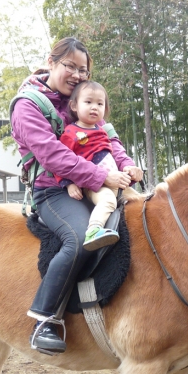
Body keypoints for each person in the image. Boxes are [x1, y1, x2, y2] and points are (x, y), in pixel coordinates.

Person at [10, 37, 138, 355]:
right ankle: (45, 318)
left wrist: (127, 165)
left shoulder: (82, 99)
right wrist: (101, 175)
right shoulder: (28, 105)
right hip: (54, 191)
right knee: (80, 238)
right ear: (51, 62)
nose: (77, 74)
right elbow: (53, 154)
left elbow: (110, 140)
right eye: (70, 66)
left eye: (83, 69)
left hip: (97, 185)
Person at [57, 80, 142, 251]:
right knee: (108, 201)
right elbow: (62, 162)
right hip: (94, 184)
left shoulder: (102, 131)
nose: (94, 107)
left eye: (99, 103)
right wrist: (68, 184)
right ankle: (93, 230)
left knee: (141, 202)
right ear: (74, 106)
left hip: (115, 181)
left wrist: (128, 168)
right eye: (88, 102)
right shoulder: (70, 133)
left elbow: (114, 153)